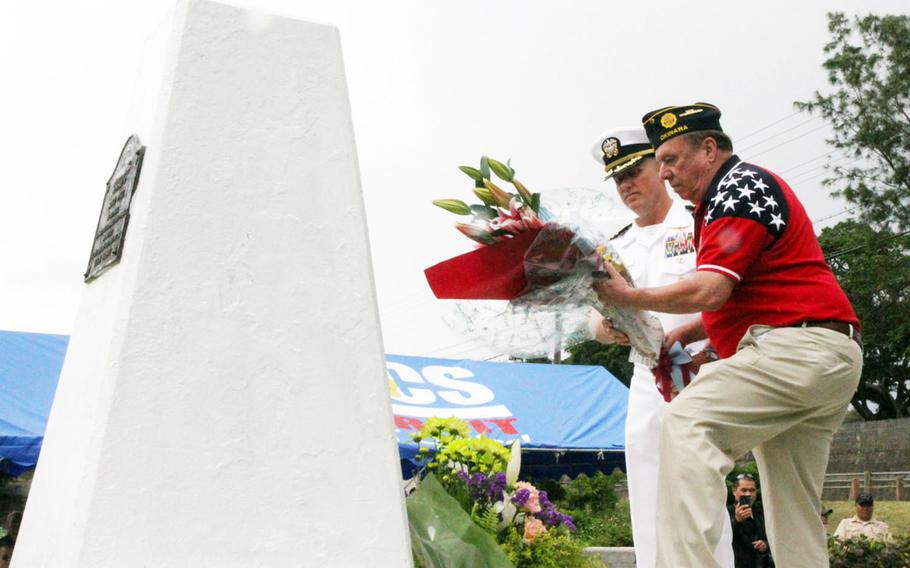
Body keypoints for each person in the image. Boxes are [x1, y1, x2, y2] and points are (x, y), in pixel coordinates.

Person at [593, 102, 863, 567]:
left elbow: (712, 288)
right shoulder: (720, 202)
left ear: (710, 149)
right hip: (821, 353)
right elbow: (745, 295)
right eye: (659, 163)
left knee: (685, 425)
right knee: (792, 507)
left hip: (796, 350)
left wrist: (627, 298)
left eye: (671, 160)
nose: (666, 173)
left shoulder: (738, 186)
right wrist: (696, 335)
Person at [588, 126, 733, 568]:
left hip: (699, 370)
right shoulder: (613, 247)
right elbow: (592, 311)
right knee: (648, 492)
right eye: (618, 179)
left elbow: (722, 294)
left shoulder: (698, 222)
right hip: (646, 378)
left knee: (700, 489)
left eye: (635, 171)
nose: (627, 184)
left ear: (661, 166)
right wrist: (602, 329)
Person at [728, 474, 772, 568]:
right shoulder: (725, 513)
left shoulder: (761, 513)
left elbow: (772, 537)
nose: (748, 494)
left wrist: (766, 544)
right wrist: (736, 521)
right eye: (743, 490)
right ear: (734, 491)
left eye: (752, 490)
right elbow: (723, 538)